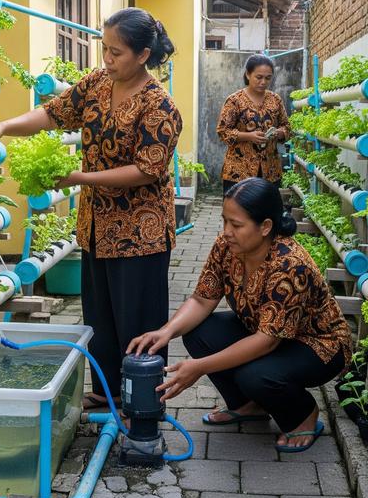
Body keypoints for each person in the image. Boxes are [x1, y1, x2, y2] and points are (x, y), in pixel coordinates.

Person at [0, 7, 182, 411]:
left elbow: (146, 170)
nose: (107, 59)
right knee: (100, 319)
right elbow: (51, 114)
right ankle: (106, 392)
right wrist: (3, 126)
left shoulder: (160, 106)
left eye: (117, 52)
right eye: (105, 49)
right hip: (96, 227)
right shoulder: (96, 84)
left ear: (143, 55)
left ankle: (143, 403)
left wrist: (78, 179)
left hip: (140, 233)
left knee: (139, 323)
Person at [127, 177, 352, 452]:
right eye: (225, 221)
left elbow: (266, 342)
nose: (226, 232)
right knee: (198, 334)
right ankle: (249, 405)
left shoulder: (289, 266)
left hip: (318, 346)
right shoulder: (226, 246)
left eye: (236, 225)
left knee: (255, 374)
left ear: (266, 227)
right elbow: (201, 300)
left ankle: (302, 416)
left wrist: (198, 368)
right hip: (263, 331)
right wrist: (166, 331)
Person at [216, 55, 289, 194]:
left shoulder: (275, 100)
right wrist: (249, 136)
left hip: (270, 170)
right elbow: (223, 131)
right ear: (248, 74)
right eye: (259, 77)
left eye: (268, 78)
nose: (263, 82)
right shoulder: (234, 101)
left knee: (266, 213)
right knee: (239, 213)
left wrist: (278, 133)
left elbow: (286, 126)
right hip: (239, 171)